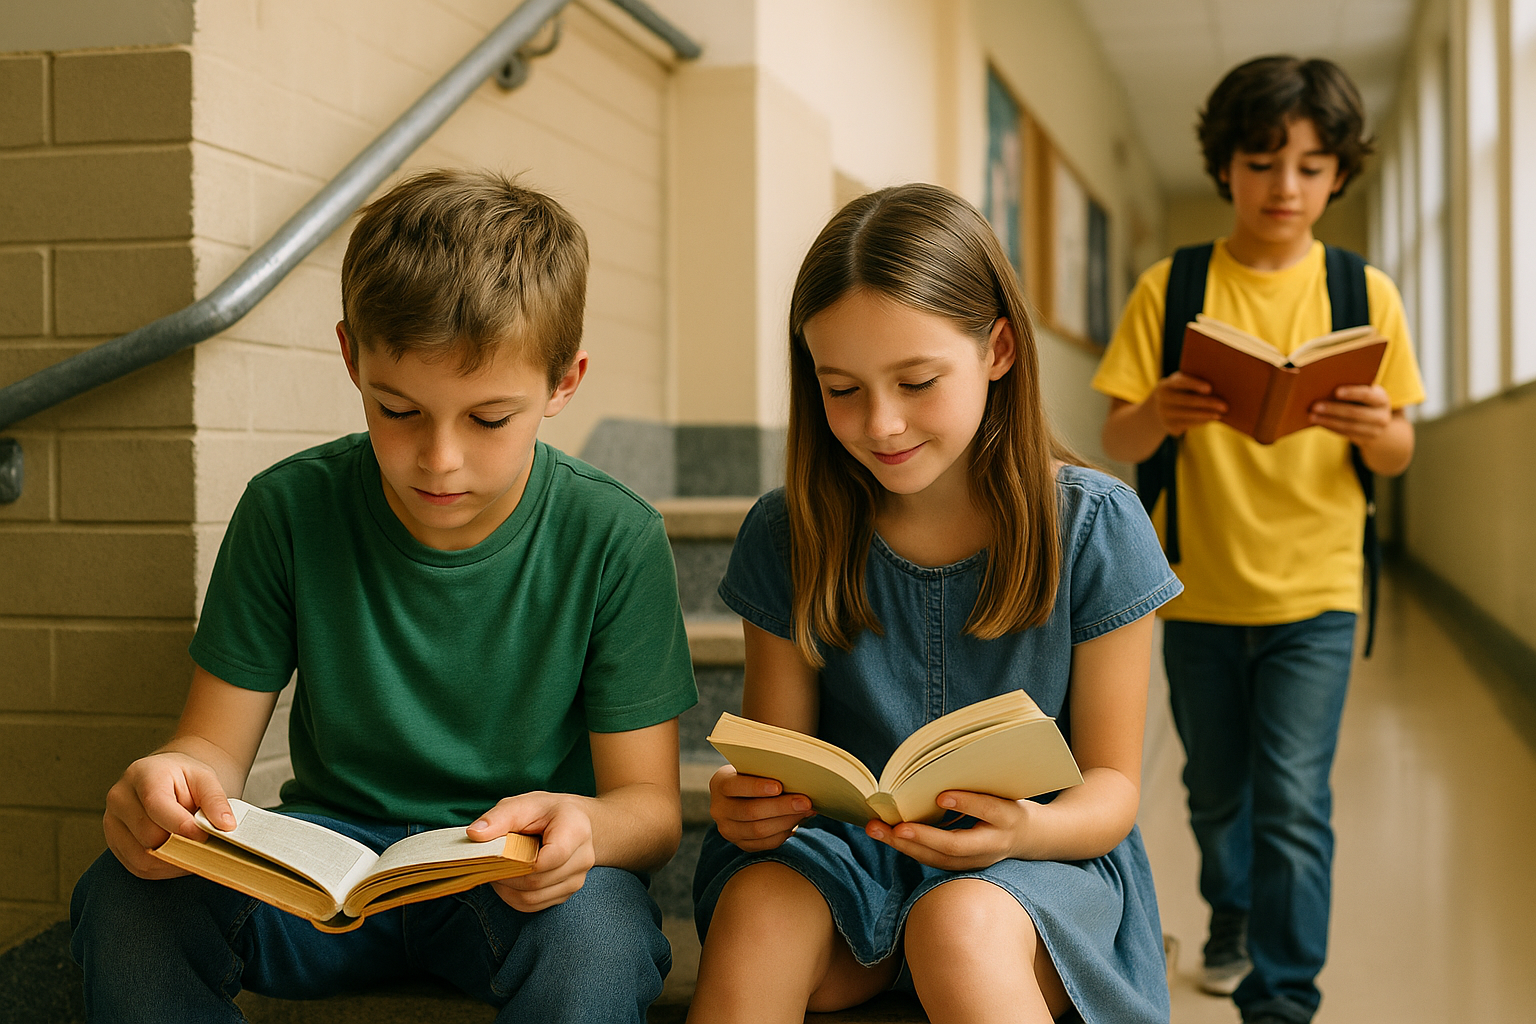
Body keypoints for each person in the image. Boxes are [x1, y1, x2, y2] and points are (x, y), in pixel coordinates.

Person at [69, 169, 698, 1023]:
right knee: (126, 896)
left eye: (488, 420)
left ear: (564, 381)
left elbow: (651, 810)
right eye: (396, 408)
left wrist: (588, 828)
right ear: (350, 357)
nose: (438, 460)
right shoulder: (288, 508)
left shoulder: (613, 536)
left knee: (599, 940)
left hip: (508, 879)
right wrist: (173, 783)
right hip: (321, 875)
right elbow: (211, 748)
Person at [686, 183, 1183, 1024]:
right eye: (840, 389)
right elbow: (777, 758)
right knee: (758, 913)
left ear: (998, 350)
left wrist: (1025, 832)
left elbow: (1111, 789)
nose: (880, 423)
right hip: (848, 859)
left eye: (917, 381)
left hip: (1039, 863)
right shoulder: (787, 531)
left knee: (958, 924)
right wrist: (752, 804)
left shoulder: (1096, 525)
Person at [1093, 57, 1425, 1024]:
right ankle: (1229, 910)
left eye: (1314, 167)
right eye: (1264, 161)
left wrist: (1379, 432)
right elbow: (1117, 437)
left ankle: (1283, 998)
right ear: (1225, 168)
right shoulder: (1175, 285)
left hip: (1317, 591)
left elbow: (1401, 448)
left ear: (1339, 176)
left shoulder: (1366, 294)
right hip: (1193, 586)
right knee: (1212, 788)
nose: (1288, 187)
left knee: (1291, 799)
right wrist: (1159, 408)